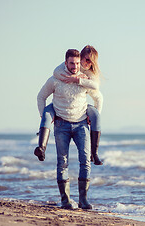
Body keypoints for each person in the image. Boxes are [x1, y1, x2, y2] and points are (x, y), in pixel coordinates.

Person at [36, 49, 100, 209]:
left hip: (81, 125)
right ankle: (65, 200)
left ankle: (83, 200)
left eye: (77, 63)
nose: (75, 66)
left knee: (85, 162)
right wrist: (46, 117)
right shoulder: (56, 79)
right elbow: (41, 96)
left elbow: (98, 96)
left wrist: (92, 118)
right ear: (66, 63)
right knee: (62, 162)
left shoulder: (84, 79)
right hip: (61, 125)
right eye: (72, 63)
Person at [34, 45, 103, 165]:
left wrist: (77, 80)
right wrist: (71, 77)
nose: (87, 63)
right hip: (59, 107)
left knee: (96, 115)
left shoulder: (89, 74)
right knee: (46, 113)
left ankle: (94, 153)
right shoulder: (66, 69)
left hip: (80, 110)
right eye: (86, 59)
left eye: (91, 61)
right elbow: (56, 72)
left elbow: (97, 91)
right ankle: (41, 148)